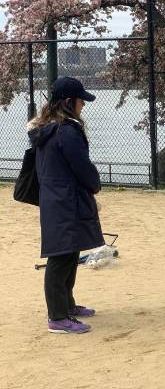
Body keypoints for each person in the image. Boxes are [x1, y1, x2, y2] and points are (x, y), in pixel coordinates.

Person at [28, 76, 104, 334]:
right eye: (81, 99)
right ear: (69, 102)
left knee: (69, 252)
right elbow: (81, 165)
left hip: (56, 198)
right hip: (66, 199)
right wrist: (95, 184)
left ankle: (67, 306)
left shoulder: (47, 128)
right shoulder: (66, 131)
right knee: (60, 257)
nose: (83, 104)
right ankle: (57, 317)